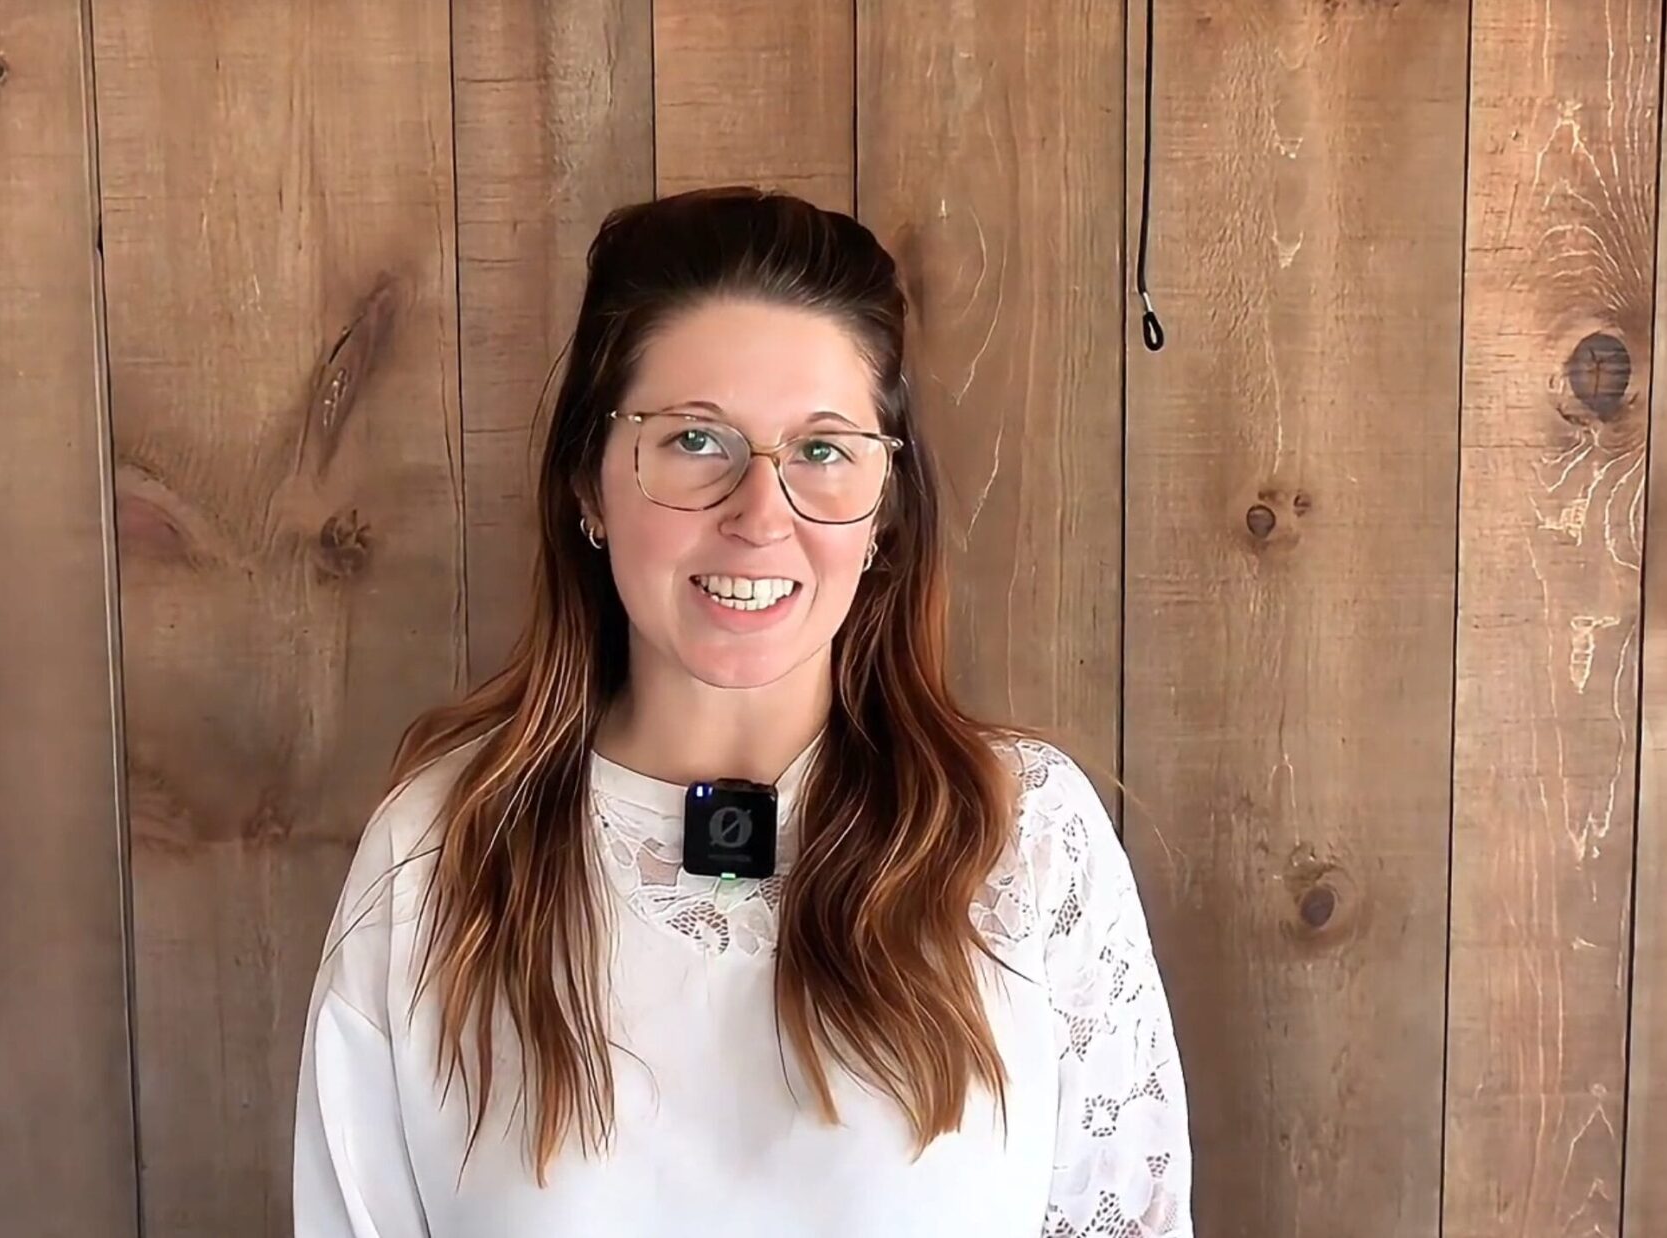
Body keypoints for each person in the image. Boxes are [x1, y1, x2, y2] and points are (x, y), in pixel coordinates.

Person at [293, 186, 1193, 1237]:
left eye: (822, 450)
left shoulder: (1022, 835)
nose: (760, 516)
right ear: (588, 482)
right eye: (694, 440)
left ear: (884, 510)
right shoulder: (438, 852)